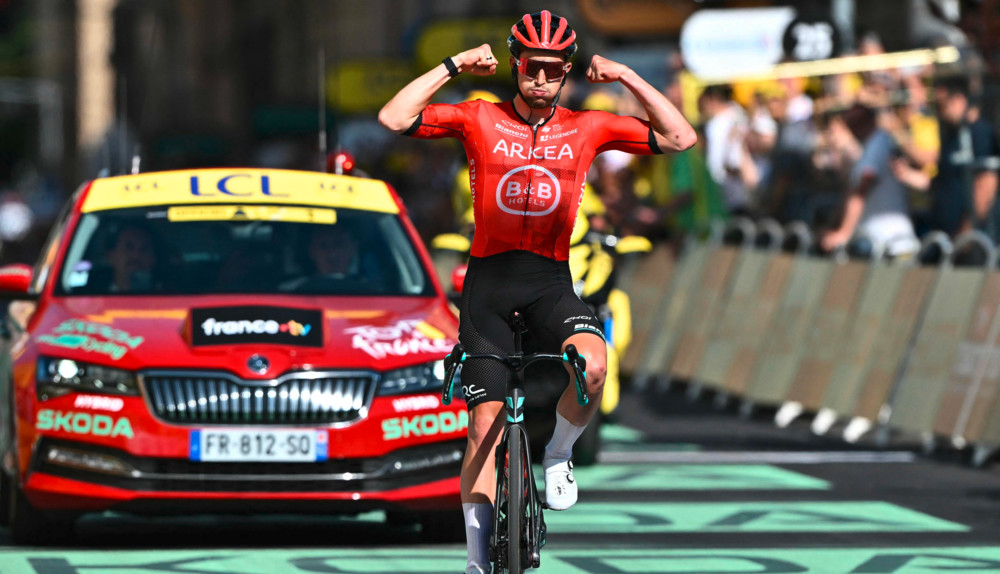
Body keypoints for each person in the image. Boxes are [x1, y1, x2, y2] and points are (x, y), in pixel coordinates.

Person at [378, 10, 695, 574]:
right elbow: (393, 116)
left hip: (550, 282)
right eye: (531, 67)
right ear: (515, 65)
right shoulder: (480, 116)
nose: (541, 79)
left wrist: (625, 75)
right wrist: (455, 64)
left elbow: (680, 137)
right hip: (489, 288)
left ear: (567, 71)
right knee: (484, 425)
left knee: (593, 367)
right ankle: (478, 560)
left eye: (553, 69)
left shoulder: (586, 126)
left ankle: (558, 453)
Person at [105, 224, 158, 292]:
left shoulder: (167, 295)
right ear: (111, 256)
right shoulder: (94, 294)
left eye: (144, 249)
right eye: (128, 247)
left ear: (153, 259)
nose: (136, 255)